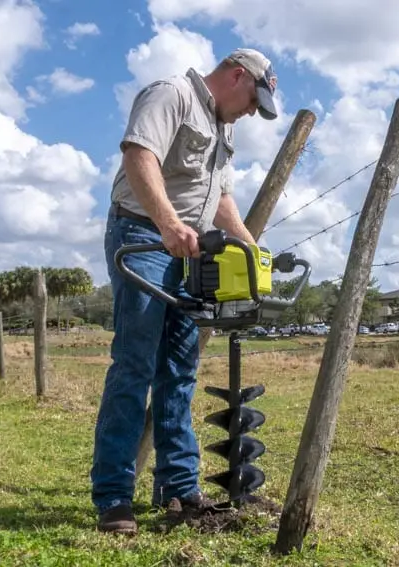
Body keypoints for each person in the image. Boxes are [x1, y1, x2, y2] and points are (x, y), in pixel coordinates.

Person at [91, 48, 278, 535]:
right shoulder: (170, 94)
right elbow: (139, 156)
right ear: (237, 75)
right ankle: (114, 496)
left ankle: (179, 487)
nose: (252, 112)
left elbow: (221, 199)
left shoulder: (223, 127)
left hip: (191, 254)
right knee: (134, 364)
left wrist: (252, 250)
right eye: (253, 100)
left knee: (178, 370)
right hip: (143, 239)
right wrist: (169, 224)